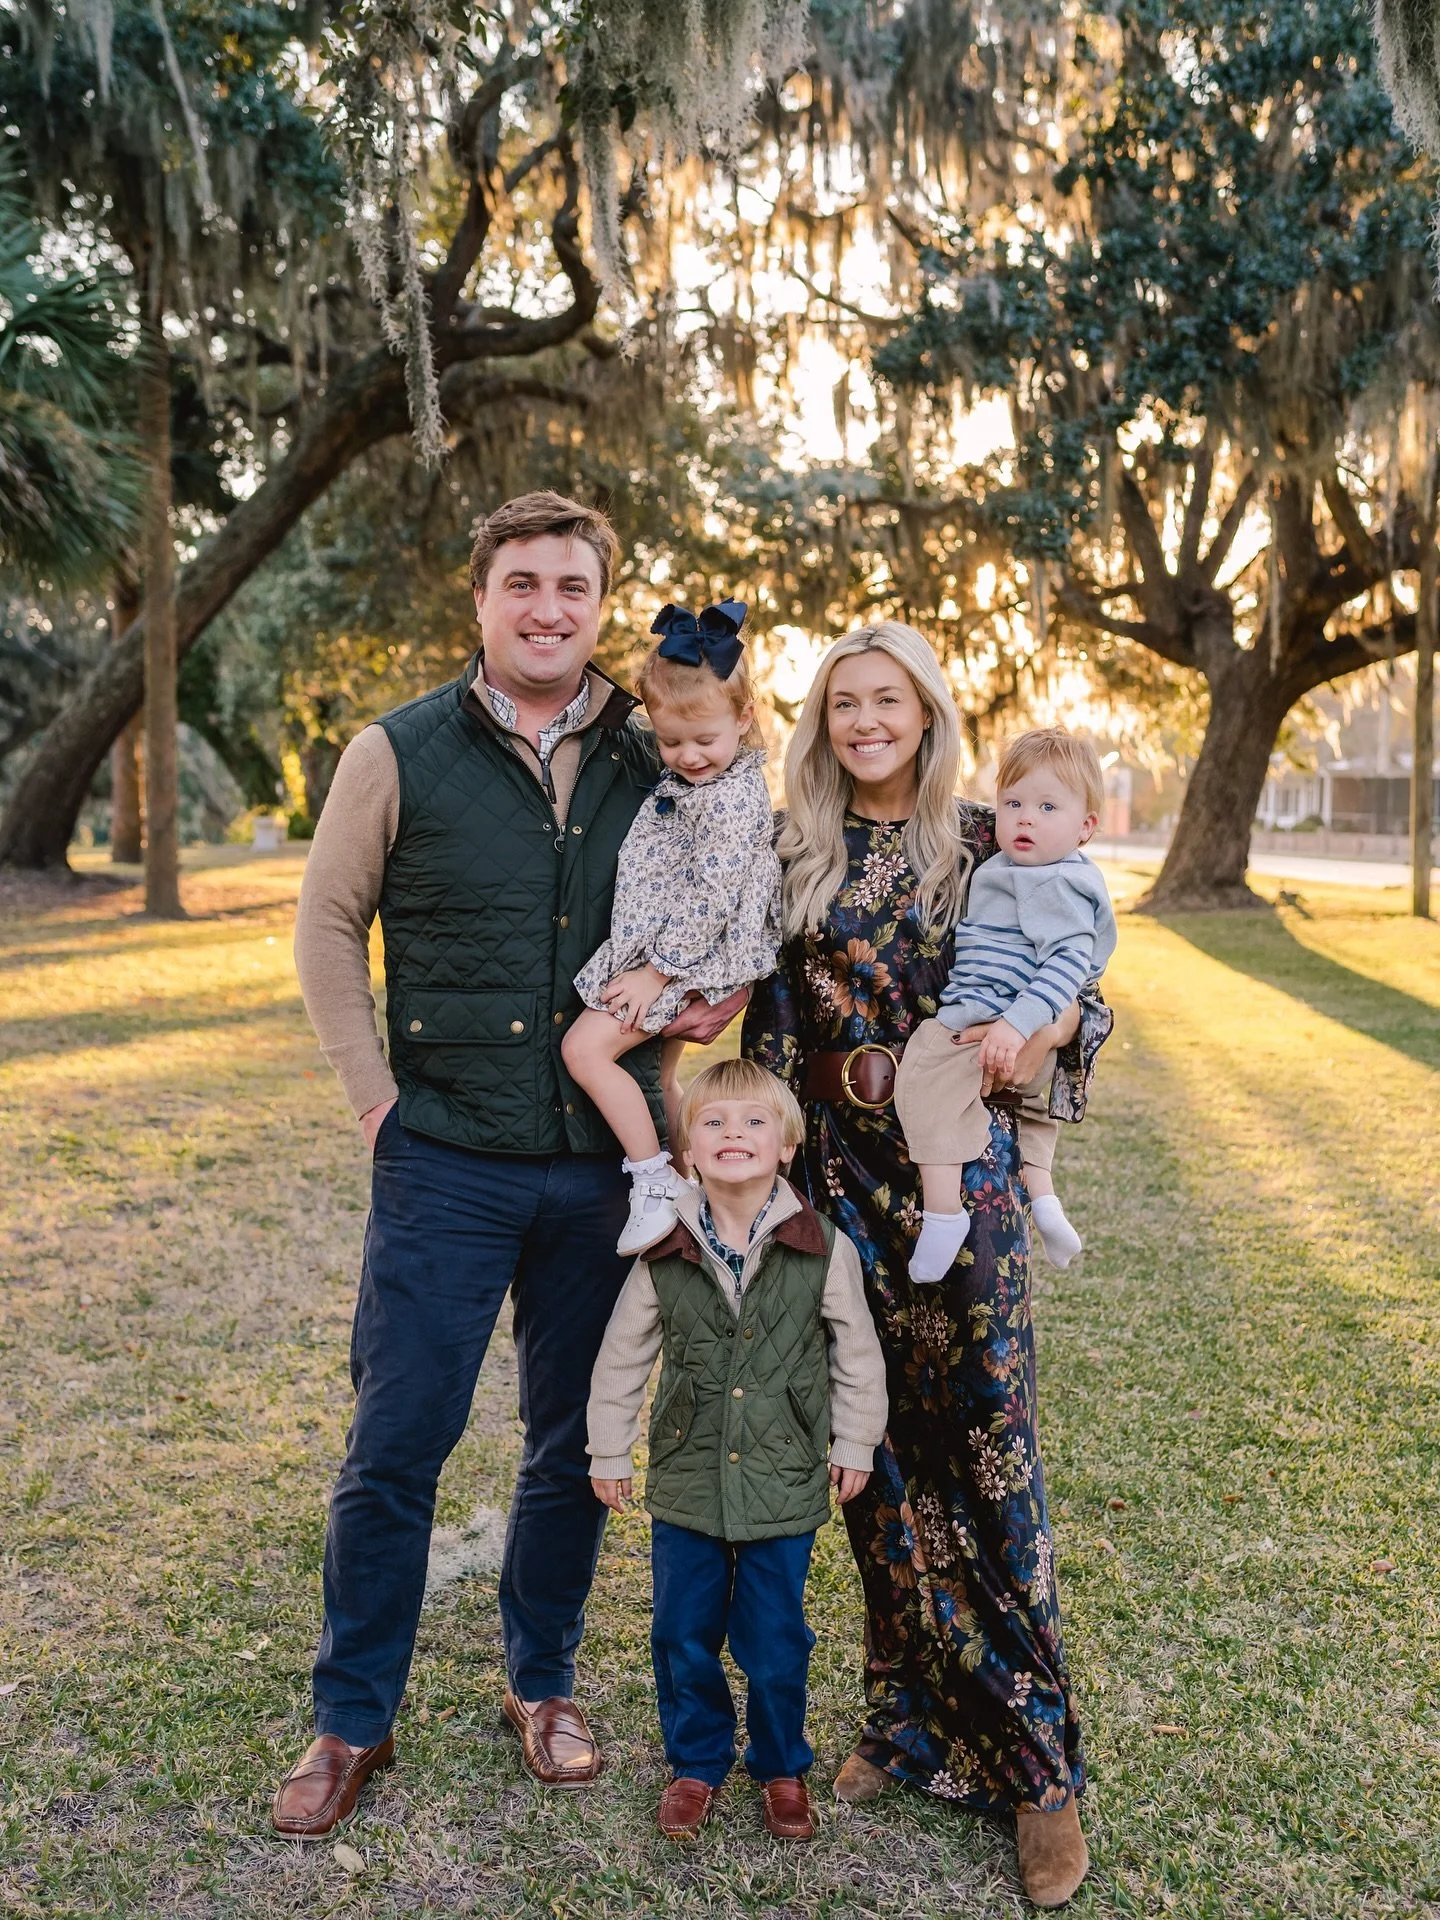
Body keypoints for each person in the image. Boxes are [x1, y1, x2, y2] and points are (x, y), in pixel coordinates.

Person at [273, 491, 742, 1840]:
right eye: (523, 584)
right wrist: (375, 1104)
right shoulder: (399, 749)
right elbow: (325, 930)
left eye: (574, 589)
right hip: (445, 1159)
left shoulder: (658, 749)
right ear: (480, 599)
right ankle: (352, 1716)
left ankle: (540, 1687)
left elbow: (736, 889)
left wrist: (717, 998)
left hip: (607, 1164)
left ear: (604, 605)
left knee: (569, 1445)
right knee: (396, 1443)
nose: (548, 609)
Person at [741, 622, 1112, 1911]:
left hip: (967, 1189)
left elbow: (1089, 987)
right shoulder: (800, 851)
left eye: (886, 700)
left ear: (926, 709)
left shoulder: (983, 835)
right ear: (823, 721)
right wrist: (776, 1200)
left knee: (988, 1454)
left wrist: (1046, 1022)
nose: (865, 722)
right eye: (844, 704)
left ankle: (1035, 1766)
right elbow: (775, 1032)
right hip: (839, 1187)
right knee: (877, 1465)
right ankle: (905, 1723)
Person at [586, 1058, 887, 1843]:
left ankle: (783, 1767)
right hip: (688, 1477)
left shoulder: (823, 1248)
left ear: (786, 1145)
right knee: (682, 1633)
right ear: (687, 1149)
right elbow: (622, 1356)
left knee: (776, 1638)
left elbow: (857, 1356)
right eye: (713, 1122)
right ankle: (695, 1764)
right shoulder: (664, 1248)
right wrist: (609, 1451)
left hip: (784, 1477)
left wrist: (854, 1441)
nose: (733, 1135)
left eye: (754, 1121)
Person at [563, 600, 781, 1255]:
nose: (686, 756)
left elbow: (711, 898)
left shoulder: (733, 797)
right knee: (657, 1078)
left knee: (586, 1050)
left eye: (703, 740)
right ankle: (692, 1191)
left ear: (743, 718)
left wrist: (656, 970)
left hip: (683, 959)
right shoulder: (707, 777)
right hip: (671, 952)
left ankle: (652, 1180)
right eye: (670, 741)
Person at [894, 727, 1117, 1282]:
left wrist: (1017, 1028)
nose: (1024, 819)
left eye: (1047, 807)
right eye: (1012, 803)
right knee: (1033, 1116)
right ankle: (1044, 1202)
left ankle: (943, 1213)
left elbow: (1068, 966)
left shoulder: (1055, 881)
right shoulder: (1012, 867)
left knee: (922, 1073)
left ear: (1086, 827)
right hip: (1021, 1036)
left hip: (992, 1023)